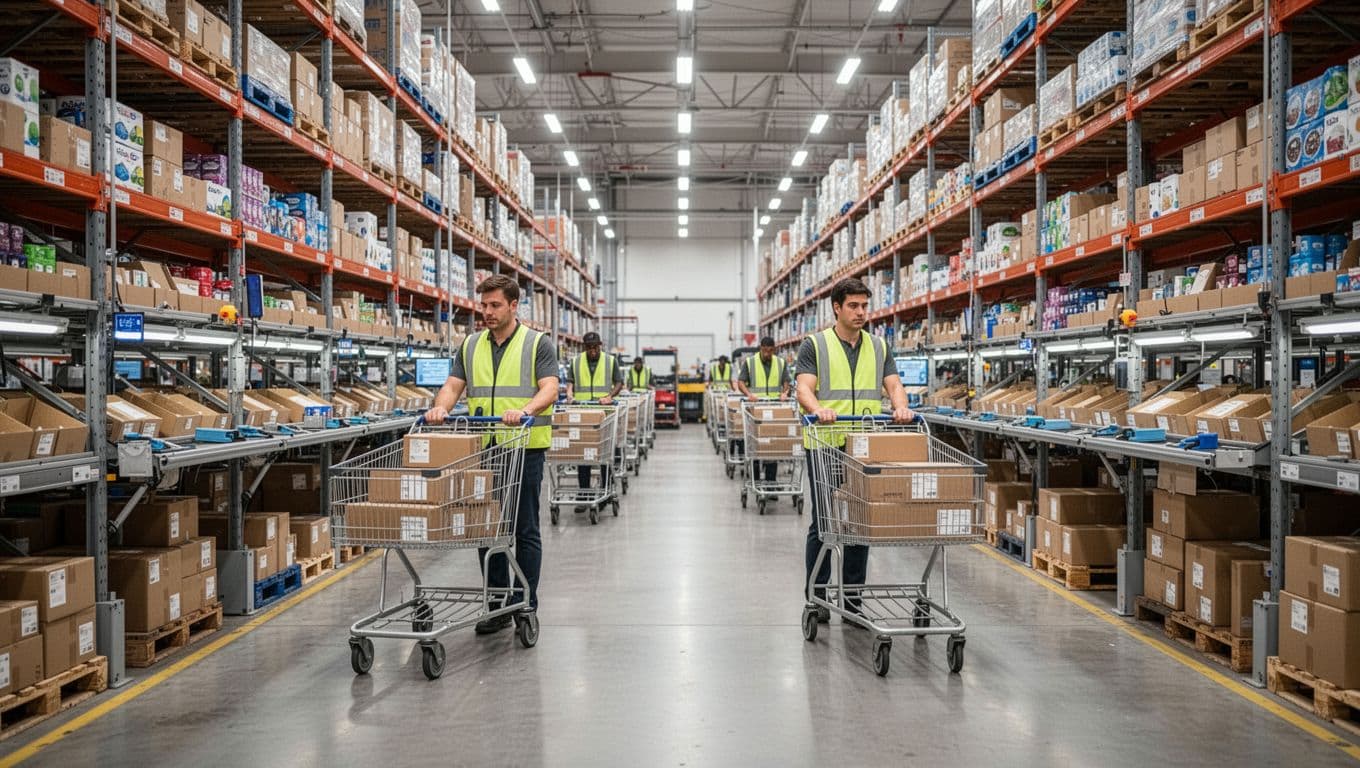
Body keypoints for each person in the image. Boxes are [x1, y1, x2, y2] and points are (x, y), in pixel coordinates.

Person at [424, 274, 559, 634]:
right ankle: (498, 603)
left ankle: (525, 603)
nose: (487, 311)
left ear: (514, 306)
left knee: (525, 529)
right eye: (483, 305)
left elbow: (550, 386)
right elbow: (454, 385)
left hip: (525, 448)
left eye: (495, 305)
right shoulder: (470, 345)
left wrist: (528, 409)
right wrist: (440, 408)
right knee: (487, 529)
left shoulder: (537, 344)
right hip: (486, 449)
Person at [796, 277, 916, 626]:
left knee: (861, 523)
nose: (862, 312)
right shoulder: (814, 345)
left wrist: (901, 407)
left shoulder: (879, 346)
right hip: (825, 444)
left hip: (864, 446)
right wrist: (818, 408)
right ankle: (817, 597)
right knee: (825, 524)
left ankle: (852, 599)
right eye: (854, 306)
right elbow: (804, 388)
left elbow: (894, 385)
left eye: (865, 305)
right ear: (837, 307)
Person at [565, 331, 623, 498]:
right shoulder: (575, 362)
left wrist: (609, 397)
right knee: (584, 455)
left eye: (595, 347)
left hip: (604, 414)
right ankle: (584, 492)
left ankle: (606, 490)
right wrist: (569, 392)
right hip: (582, 413)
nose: (592, 350)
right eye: (589, 347)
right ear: (584, 347)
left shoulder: (610, 361)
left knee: (604, 454)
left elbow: (619, 382)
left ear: (600, 346)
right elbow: (570, 381)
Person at [735, 336, 792, 483]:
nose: (767, 354)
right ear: (761, 348)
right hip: (755, 410)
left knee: (771, 445)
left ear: (774, 350)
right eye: (765, 350)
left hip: (774, 409)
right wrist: (749, 394)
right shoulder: (750, 362)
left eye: (770, 351)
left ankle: (770, 482)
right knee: (755, 445)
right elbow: (740, 382)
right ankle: (756, 480)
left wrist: (785, 393)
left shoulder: (780, 362)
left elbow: (786, 381)